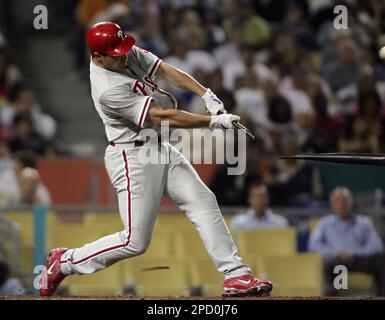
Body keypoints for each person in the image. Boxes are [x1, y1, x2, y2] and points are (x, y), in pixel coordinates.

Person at [39, 22, 272, 297]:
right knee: (135, 241)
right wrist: (212, 121)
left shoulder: (119, 54)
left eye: (122, 48)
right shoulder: (107, 89)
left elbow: (165, 70)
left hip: (158, 145)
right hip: (132, 156)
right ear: (97, 57)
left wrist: (206, 94)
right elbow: (164, 117)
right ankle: (65, 262)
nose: (123, 55)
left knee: (203, 200)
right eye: (115, 53)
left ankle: (235, 276)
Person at [309, 187, 385, 296]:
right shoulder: (324, 223)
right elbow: (314, 245)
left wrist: (355, 253)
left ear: (351, 203)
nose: (342, 204)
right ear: (332, 204)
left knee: (381, 261)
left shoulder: (363, 222)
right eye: (338, 201)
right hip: (337, 261)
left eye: (345, 200)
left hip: (359, 260)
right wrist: (337, 253)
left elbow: (377, 246)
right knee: (329, 264)